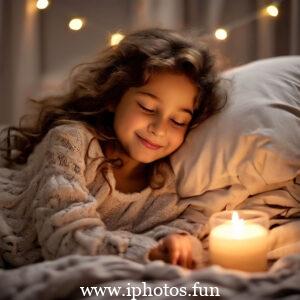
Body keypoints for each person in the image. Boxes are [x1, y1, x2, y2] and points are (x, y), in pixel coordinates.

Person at [0, 28, 225, 269]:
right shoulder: (70, 142)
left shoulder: (165, 184)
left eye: (178, 121)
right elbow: (66, 238)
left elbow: (177, 229)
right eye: (148, 107)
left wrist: (178, 242)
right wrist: (150, 253)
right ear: (113, 97)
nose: (159, 129)